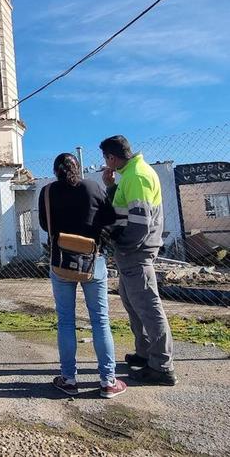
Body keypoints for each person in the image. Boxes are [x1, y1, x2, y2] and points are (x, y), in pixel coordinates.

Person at [39, 153, 127, 398]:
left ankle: (68, 379)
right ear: (77, 168)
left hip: (61, 262)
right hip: (93, 261)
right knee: (100, 320)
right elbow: (109, 218)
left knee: (66, 321)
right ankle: (108, 381)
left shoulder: (47, 192)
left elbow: (45, 225)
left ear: (55, 171)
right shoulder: (93, 187)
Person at [100, 135, 176, 385]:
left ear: (111, 158)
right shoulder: (131, 175)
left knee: (148, 306)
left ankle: (162, 367)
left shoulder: (137, 177)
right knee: (133, 303)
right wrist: (110, 187)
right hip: (132, 253)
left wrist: (120, 246)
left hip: (136, 252)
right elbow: (122, 210)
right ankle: (145, 354)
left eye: (106, 159)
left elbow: (140, 225)